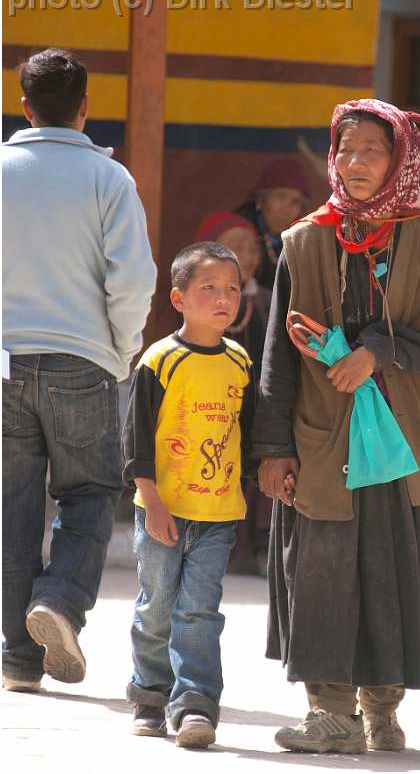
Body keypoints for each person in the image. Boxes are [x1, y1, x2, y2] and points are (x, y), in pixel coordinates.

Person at [252, 99, 420, 754]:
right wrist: (273, 449)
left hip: (408, 448)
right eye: (345, 150)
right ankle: (329, 713)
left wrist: (382, 350)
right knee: (320, 574)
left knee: (393, 575)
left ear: (401, 159)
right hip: (325, 443)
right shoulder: (304, 242)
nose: (354, 164)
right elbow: (278, 357)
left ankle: (381, 709)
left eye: (371, 152)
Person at [2, 48, 156, 692]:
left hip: (5, 363)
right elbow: (134, 282)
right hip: (84, 361)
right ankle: (60, 602)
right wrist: (122, 353)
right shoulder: (109, 180)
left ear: (23, 103)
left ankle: (17, 659)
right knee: (90, 494)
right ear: (86, 108)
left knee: (11, 508)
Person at [122, 242, 255, 748]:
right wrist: (151, 500)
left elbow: (249, 434)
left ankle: (197, 705)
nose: (224, 298)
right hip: (162, 510)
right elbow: (135, 439)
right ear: (178, 298)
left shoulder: (240, 362)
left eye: (232, 289)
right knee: (157, 605)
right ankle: (150, 697)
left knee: (200, 608)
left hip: (218, 512)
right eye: (209, 289)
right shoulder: (160, 360)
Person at [195, 210, 273, 575]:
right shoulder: (193, 307)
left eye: (251, 246)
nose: (248, 255)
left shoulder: (269, 301)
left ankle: (257, 546)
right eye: (235, 246)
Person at [236, 157, 310, 288]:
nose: (286, 208)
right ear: (261, 199)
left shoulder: (299, 238)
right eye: (280, 197)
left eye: (295, 202)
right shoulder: (238, 230)